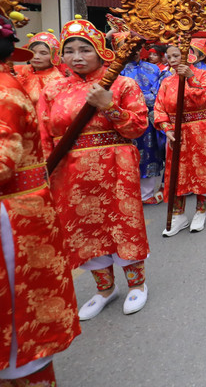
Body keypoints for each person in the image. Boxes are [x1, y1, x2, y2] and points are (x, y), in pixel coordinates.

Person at [39, 16, 151, 319]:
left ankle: (137, 284)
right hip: (70, 171)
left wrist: (109, 106)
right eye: (70, 50)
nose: (77, 57)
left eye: (85, 49)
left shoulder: (123, 83)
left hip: (115, 167)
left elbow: (138, 126)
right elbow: (44, 135)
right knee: (85, 229)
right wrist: (44, 174)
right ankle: (105, 289)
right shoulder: (52, 89)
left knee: (122, 224)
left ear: (101, 51)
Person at [0, 8, 80, 386]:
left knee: (19, 318)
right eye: (72, 50)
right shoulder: (32, 85)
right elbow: (46, 125)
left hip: (15, 208)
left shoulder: (5, 91)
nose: (77, 57)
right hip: (55, 164)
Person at [154, 45, 206, 235]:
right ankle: (178, 215)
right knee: (177, 172)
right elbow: (159, 108)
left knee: (201, 170)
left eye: (177, 55)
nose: (173, 59)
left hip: (200, 129)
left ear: (189, 55)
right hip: (176, 132)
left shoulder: (203, 75)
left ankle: (200, 211)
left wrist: (191, 77)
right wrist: (166, 128)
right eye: (170, 56)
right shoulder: (167, 81)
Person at [119, 43, 164, 204]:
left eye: (135, 49)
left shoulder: (153, 69)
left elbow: (158, 92)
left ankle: (147, 194)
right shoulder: (118, 71)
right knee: (127, 156)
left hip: (148, 118)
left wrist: (141, 100)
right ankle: (128, 194)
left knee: (150, 153)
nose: (132, 52)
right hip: (125, 119)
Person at [15, 30, 65, 107]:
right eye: (33, 52)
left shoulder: (58, 81)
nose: (36, 57)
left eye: (43, 53)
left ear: (53, 56)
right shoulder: (16, 70)